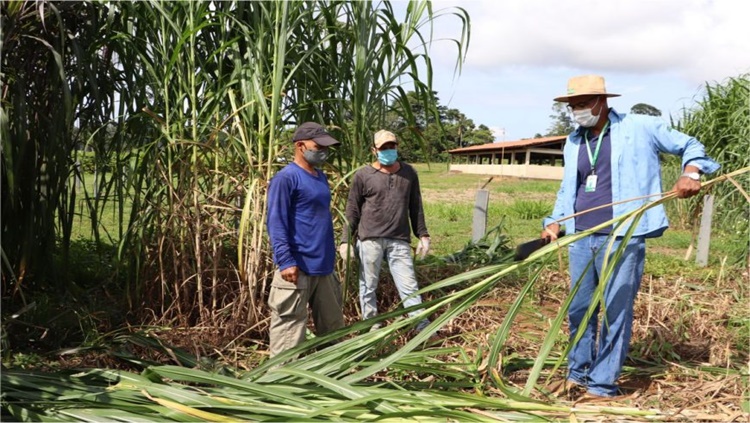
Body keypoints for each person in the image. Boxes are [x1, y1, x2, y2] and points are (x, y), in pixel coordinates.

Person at [541, 75, 720, 398]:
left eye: (582, 104)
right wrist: (556, 222)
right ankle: (577, 374)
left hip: (623, 235)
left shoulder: (640, 127)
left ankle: (601, 384)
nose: (577, 111)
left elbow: (690, 145)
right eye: (573, 106)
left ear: (602, 101)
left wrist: (690, 172)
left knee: (614, 312)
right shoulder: (573, 141)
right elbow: (569, 188)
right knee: (579, 309)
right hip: (582, 236)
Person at [340, 130, 432, 334]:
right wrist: (346, 240)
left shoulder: (409, 174)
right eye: (383, 148)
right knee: (368, 286)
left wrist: (423, 234)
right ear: (374, 150)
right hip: (369, 239)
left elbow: (415, 206)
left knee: (409, 285)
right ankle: (371, 326)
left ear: (397, 147)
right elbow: (353, 209)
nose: (389, 151)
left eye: (392, 146)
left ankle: (422, 327)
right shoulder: (363, 175)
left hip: (399, 239)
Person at [266, 122, 345, 357]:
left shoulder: (320, 177)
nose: (323, 151)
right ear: (300, 146)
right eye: (318, 146)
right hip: (297, 268)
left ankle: (335, 381)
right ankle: (281, 384)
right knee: (289, 335)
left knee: (333, 332)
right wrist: (286, 260)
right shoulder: (286, 178)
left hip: (324, 269)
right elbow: (276, 222)